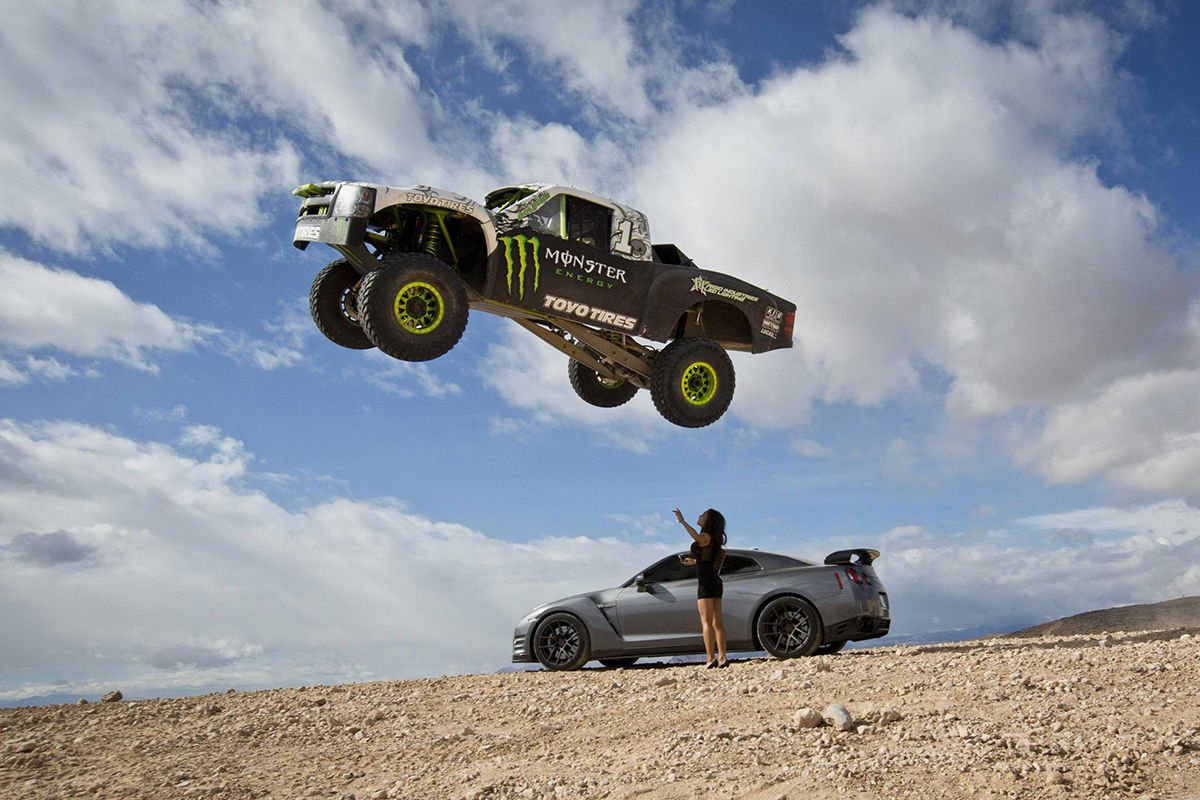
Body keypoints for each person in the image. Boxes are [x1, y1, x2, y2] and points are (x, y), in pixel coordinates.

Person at [674, 507, 728, 668]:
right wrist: (694, 561)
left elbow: (697, 537)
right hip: (715, 581)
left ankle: (710, 658)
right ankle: (723, 657)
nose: (699, 516)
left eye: (703, 515)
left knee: (706, 621)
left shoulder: (705, 536)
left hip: (705, 582)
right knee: (717, 622)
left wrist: (682, 521)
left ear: (708, 520)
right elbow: (707, 561)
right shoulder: (714, 538)